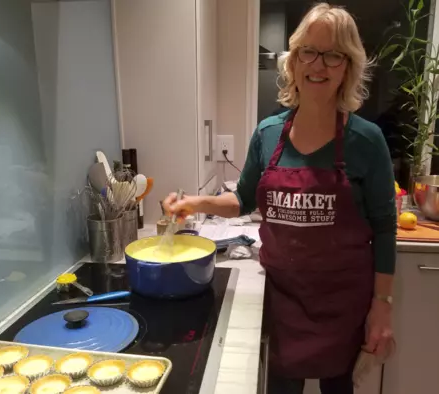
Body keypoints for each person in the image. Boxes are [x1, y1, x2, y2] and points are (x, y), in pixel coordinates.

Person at [164, 3, 396, 393]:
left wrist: (382, 305)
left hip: (343, 305)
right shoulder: (268, 133)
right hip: (281, 301)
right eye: (309, 50)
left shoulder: (366, 141)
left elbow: (385, 229)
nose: (318, 65)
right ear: (294, 60)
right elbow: (242, 200)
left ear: (348, 66)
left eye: (333, 54)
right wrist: (194, 202)